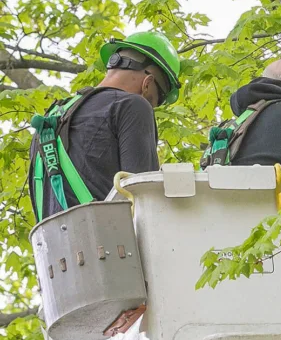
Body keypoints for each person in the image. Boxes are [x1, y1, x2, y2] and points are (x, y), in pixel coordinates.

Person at [27, 31, 181, 221]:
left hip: (54, 247)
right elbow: (144, 197)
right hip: (106, 245)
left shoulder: (50, 120)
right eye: (152, 101)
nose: (149, 106)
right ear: (147, 84)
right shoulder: (132, 106)